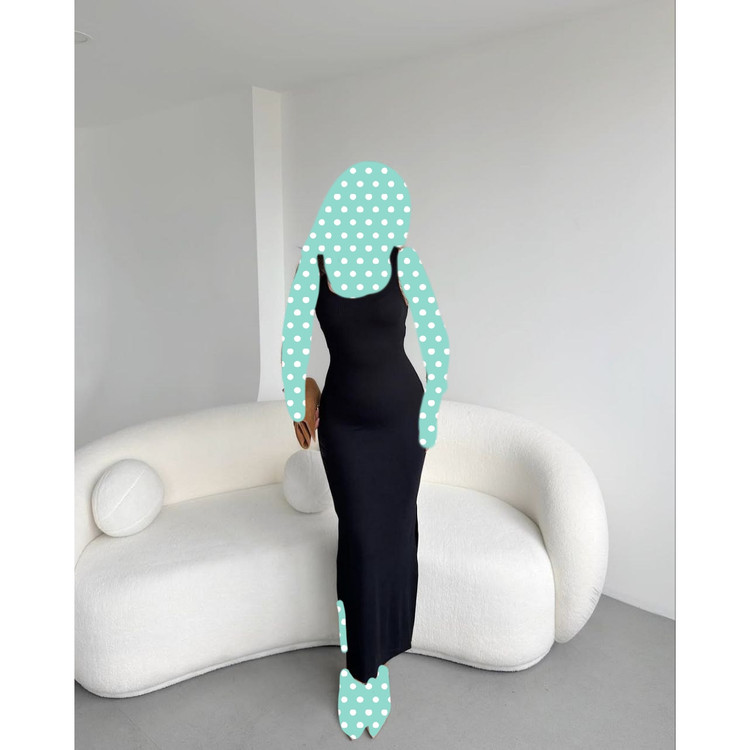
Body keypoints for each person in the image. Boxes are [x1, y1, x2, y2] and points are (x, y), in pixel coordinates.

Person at [280, 161, 450, 739]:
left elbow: (438, 343)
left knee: (397, 533)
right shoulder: (313, 267)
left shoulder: (405, 262)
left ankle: (385, 650)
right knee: (359, 539)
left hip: (403, 424)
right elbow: (293, 345)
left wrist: (431, 410)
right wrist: (302, 392)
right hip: (347, 428)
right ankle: (360, 670)